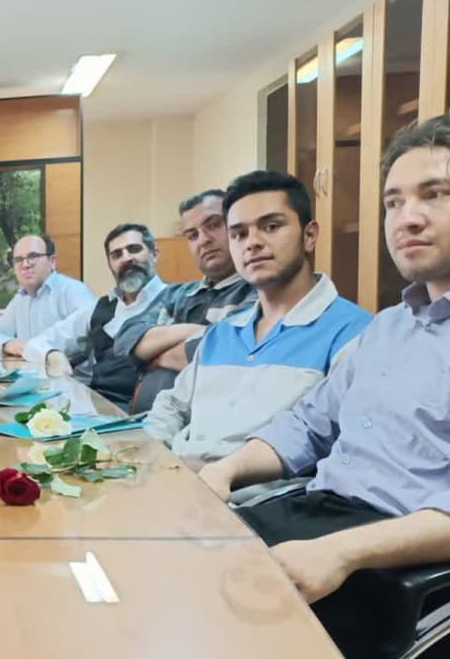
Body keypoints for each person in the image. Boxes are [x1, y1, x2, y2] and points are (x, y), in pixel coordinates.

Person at [199, 114, 450, 659]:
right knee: (157, 561)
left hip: (402, 562)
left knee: (207, 644)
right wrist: (224, 470)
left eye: (436, 194)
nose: (408, 218)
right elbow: (308, 424)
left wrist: (345, 552)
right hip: (317, 513)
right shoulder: (390, 326)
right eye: (394, 202)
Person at [145, 171, 371, 470]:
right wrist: (150, 456)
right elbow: (172, 405)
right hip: (177, 478)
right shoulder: (222, 333)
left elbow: (332, 443)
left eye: (271, 226)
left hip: (255, 494)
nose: (252, 243)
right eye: (239, 234)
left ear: (309, 235)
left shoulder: (353, 333)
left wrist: (216, 473)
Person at [24, 223, 168, 408]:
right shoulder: (99, 308)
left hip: (148, 413)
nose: (126, 258)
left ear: (155, 254)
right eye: (116, 255)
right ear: (110, 265)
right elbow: (36, 344)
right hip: (96, 409)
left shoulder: (177, 302)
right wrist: (53, 355)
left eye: (134, 249)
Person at [114, 189, 255, 375]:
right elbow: (126, 337)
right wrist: (204, 331)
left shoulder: (259, 291)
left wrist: (158, 356)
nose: (203, 240)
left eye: (214, 225)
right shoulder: (178, 295)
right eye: (192, 235)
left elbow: (230, 349)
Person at [0, 234, 95, 357]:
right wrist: (8, 344)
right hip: (30, 369)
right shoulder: (20, 299)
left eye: (33, 256)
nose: (25, 265)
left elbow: (87, 325)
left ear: (52, 262)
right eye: (18, 260)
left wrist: (35, 347)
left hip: (69, 369)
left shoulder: (72, 290)